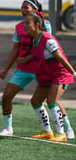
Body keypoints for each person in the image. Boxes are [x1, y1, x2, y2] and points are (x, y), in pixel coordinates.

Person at [0, 0, 74, 138]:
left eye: (26, 7)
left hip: (42, 68)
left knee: (52, 99)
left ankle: (66, 128)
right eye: (22, 7)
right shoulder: (19, 27)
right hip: (23, 69)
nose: (23, 9)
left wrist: (72, 72)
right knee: (7, 97)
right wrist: (6, 68)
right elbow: (16, 49)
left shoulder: (44, 26)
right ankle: (8, 127)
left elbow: (45, 47)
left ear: (35, 10)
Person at [22, 13, 75, 142]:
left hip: (60, 74)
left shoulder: (47, 39)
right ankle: (47, 131)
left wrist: (73, 73)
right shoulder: (34, 40)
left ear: (36, 25)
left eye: (28, 23)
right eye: (24, 23)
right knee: (35, 101)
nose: (25, 26)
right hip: (46, 76)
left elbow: (60, 57)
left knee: (51, 100)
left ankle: (61, 134)